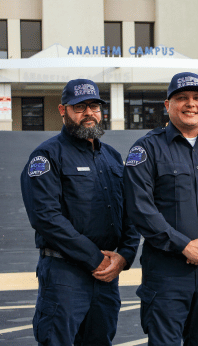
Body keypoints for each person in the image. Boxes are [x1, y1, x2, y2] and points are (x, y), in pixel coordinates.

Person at [123, 72, 198, 346]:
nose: (190, 104)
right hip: (167, 275)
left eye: (197, 98)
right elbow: (140, 208)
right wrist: (184, 246)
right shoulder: (147, 149)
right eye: (181, 98)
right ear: (167, 105)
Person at [20, 79, 140, 346]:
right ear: (63, 110)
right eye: (80, 107)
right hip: (65, 275)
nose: (89, 113)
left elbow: (131, 211)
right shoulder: (47, 156)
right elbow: (45, 217)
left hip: (107, 275)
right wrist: (94, 258)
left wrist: (124, 256)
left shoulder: (111, 157)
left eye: (94, 106)